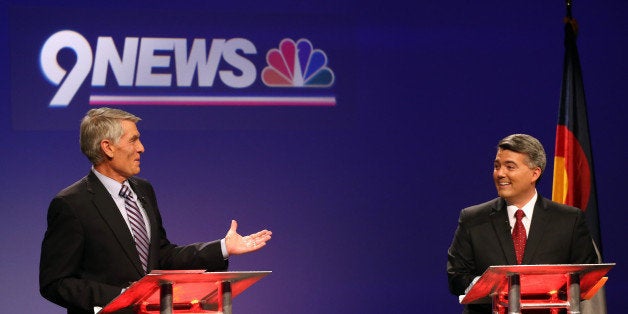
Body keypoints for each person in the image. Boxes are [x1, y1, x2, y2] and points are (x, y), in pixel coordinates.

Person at [39, 107, 272, 314]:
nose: (141, 148)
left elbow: (161, 256)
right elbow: (56, 283)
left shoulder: (143, 190)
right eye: (133, 140)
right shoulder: (71, 204)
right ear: (108, 147)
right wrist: (123, 295)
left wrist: (222, 248)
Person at [446, 134, 597, 314]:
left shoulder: (569, 220)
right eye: (497, 166)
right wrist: (491, 286)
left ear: (535, 173)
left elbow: (586, 279)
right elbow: (456, 278)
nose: (500, 173)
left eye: (510, 167)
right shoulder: (472, 218)